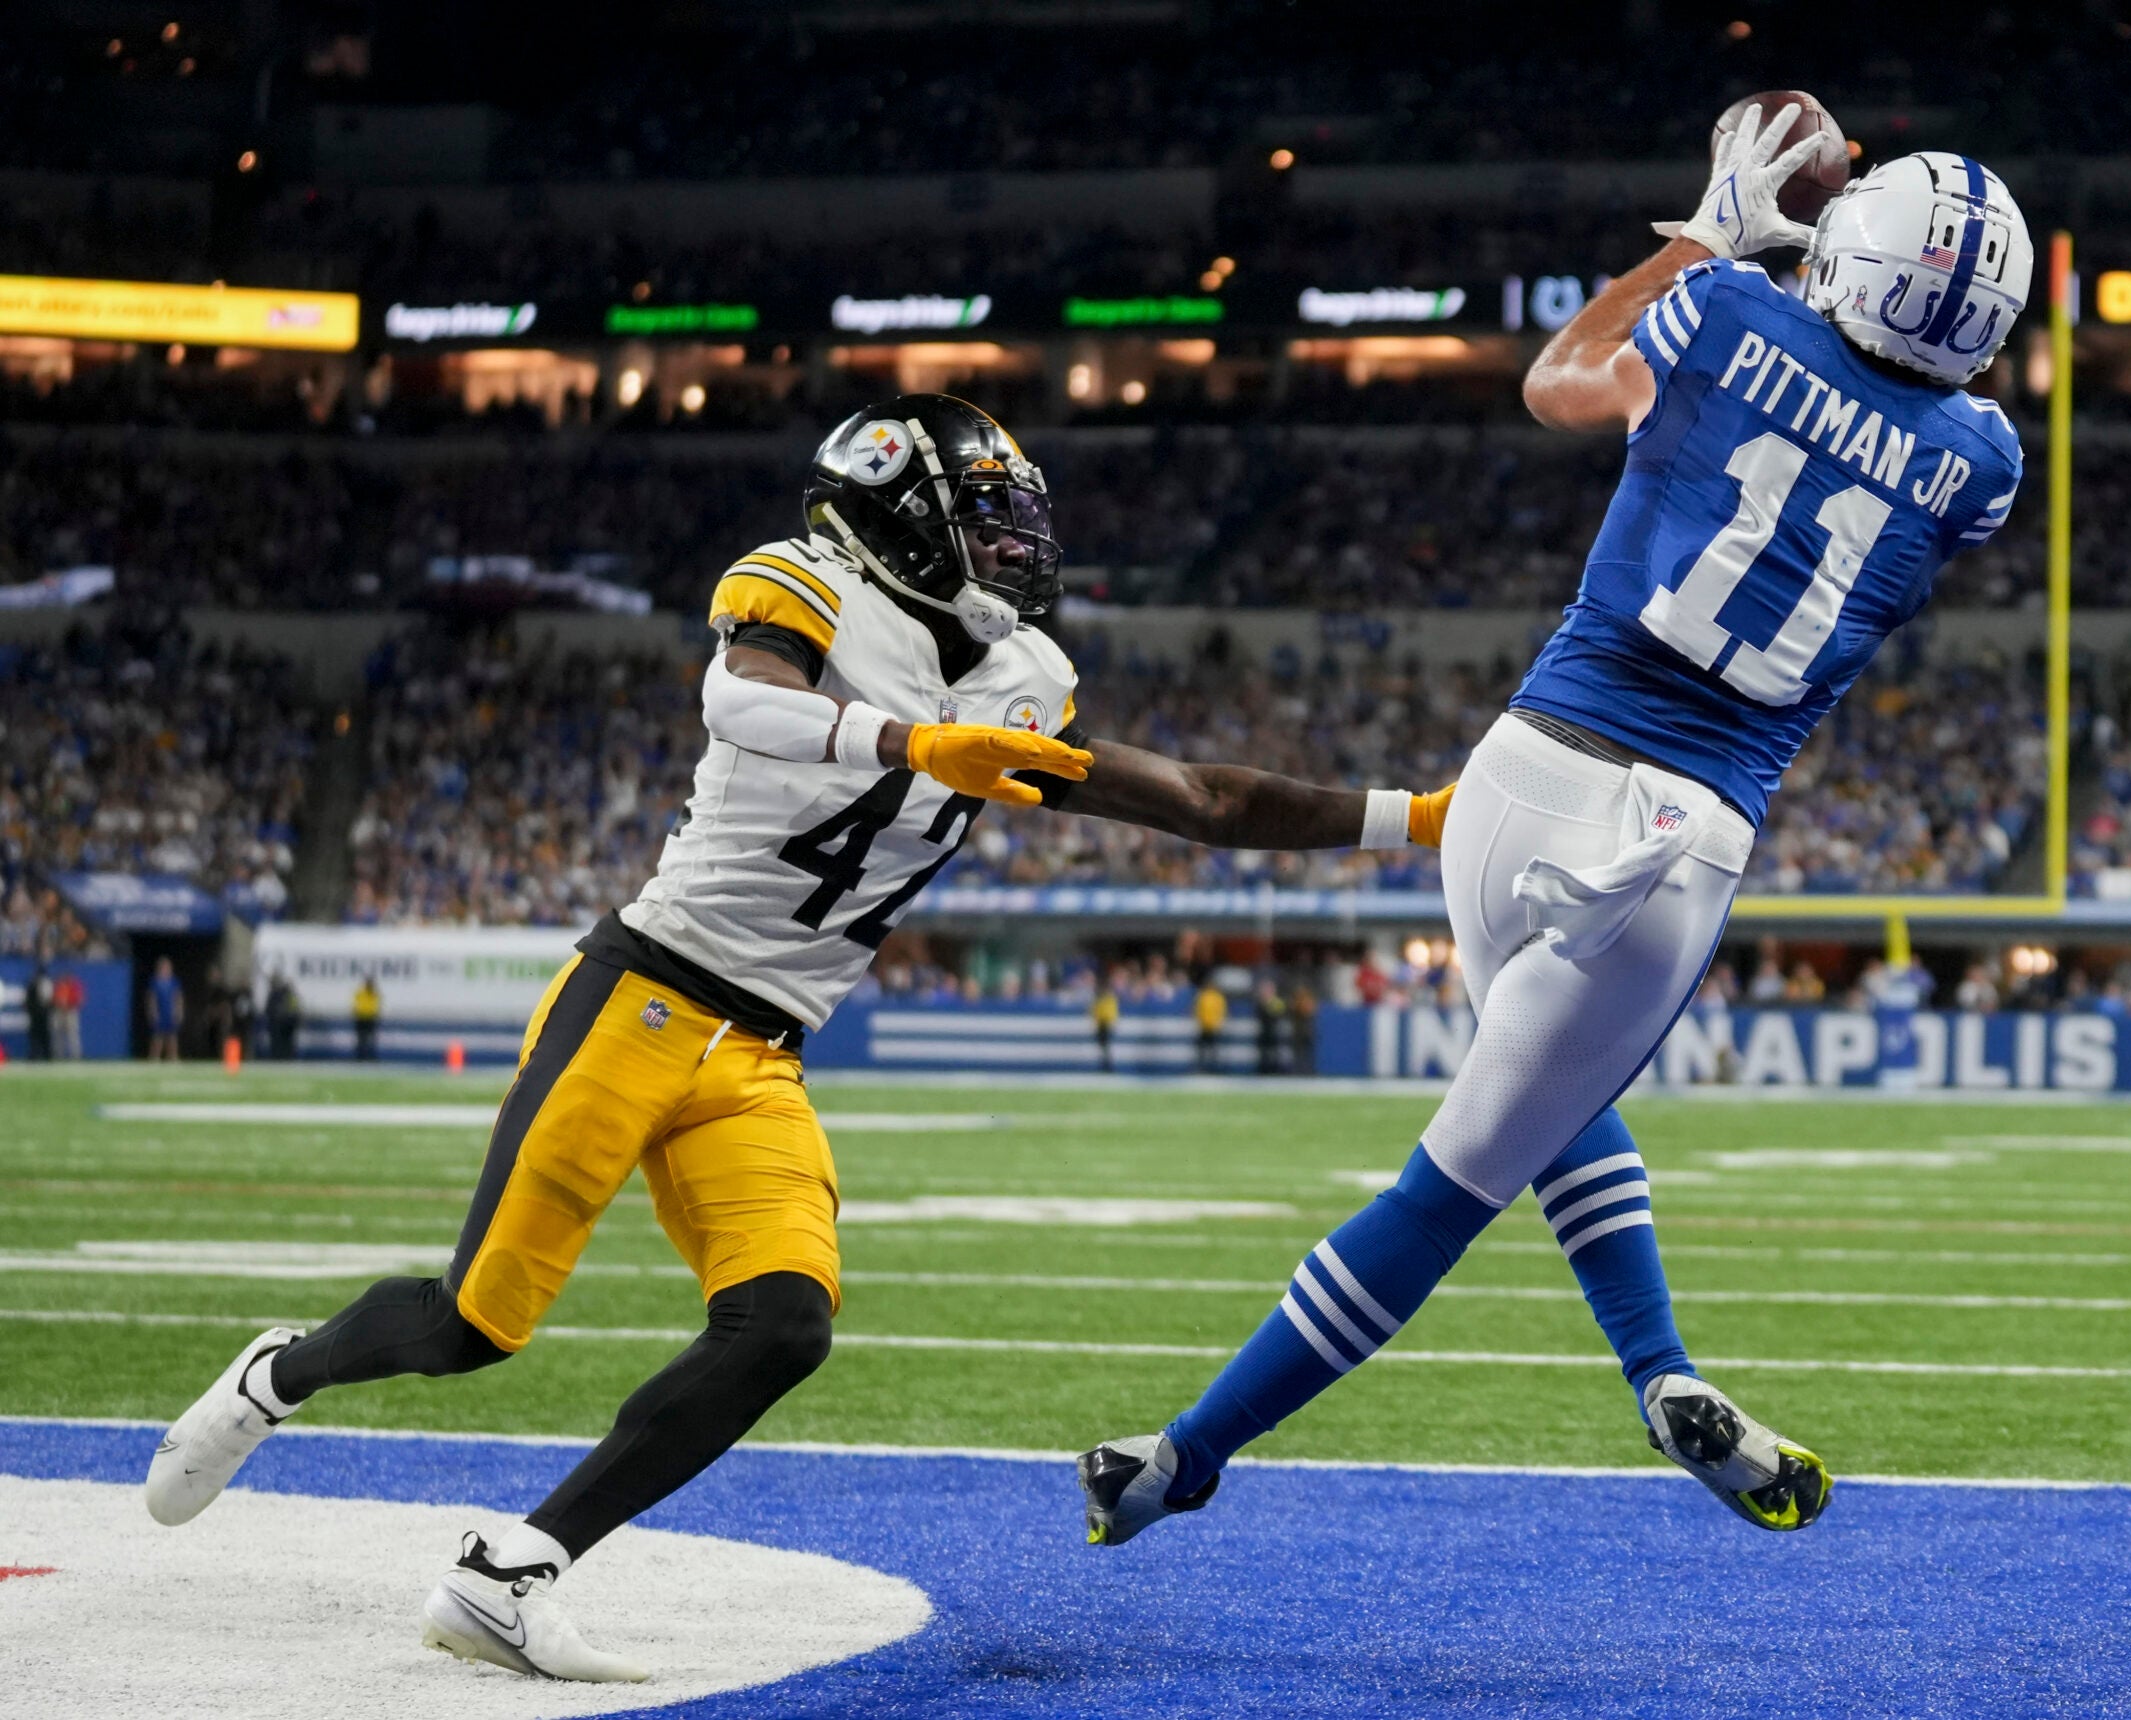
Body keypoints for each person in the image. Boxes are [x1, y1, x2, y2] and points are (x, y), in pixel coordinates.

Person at [147, 394, 1456, 1683]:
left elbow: (1204, 800)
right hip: (643, 994)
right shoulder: (804, 588)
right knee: (474, 1323)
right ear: (903, 516)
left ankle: (514, 1574)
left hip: (762, 1052)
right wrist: (909, 738)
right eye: (987, 515)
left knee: (781, 1327)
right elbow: (743, 705)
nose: (1017, 542)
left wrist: (1424, 816)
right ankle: (284, 1372)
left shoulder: (1024, 678)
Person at [1080, 114, 2029, 1547]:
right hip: (1672, 838)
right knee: (1453, 1180)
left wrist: (1708, 238)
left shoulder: (1719, 309)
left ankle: (1660, 1373)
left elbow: (1560, 384)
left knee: (1544, 1111)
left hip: (1521, 767)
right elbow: (1875, 399)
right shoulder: (1984, 465)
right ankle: (1186, 1454)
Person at [147, 958, 183, 1061]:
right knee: (158, 1037)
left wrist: (179, 1011)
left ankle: (173, 1057)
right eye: (164, 967)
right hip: (160, 1012)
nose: (166, 969)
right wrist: (153, 1011)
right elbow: (151, 998)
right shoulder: (155, 981)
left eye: (168, 967)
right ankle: (154, 1057)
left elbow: (178, 997)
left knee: (172, 1036)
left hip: (170, 1012)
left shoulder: (174, 981)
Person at [264, 971, 302, 1061]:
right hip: (280, 1026)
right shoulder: (277, 995)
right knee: (280, 1047)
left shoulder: (284, 995)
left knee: (284, 1047)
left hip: (285, 1026)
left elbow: (295, 1011)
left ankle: (284, 1059)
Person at [1193, 979, 1228, 1072]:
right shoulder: (1203, 996)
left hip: (1214, 1028)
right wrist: (1199, 1022)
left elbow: (1222, 1011)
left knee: (1214, 1050)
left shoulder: (1218, 997)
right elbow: (1198, 1010)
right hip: (1204, 1027)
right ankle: (1202, 1068)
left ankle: (1214, 1068)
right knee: (1202, 1049)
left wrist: (1219, 1023)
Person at [50, 968, 83, 1061]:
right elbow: (54, 999)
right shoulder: (59, 986)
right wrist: (59, 1004)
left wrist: (69, 1004)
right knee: (58, 1035)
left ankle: (75, 1056)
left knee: (73, 1035)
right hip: (59, 1011)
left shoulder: (74, 986)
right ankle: (58, 1055)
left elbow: (79, 1000)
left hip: (70, 1011)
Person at [351, 974, 381, 1062]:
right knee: (361, 1040)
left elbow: (375, 1006)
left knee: (371, 1040)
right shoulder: (360, 993)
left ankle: (371, 1057)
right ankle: (360, 1057)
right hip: (361, 1018)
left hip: (370, 1019)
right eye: (368, 983)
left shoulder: (374, 994)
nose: (369, 985)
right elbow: (357, 1005)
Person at [25, 963, 51, 1061]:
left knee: (42, 1035)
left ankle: (46, 1054)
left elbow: (47, 1000)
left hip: (41, 1014)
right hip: (36, 1014)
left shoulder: (44, 983)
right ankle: (36, 1054)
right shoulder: (33, 984)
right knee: (36, 1035)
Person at [1091, 980, 1119, 1072]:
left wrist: (1112, 1022)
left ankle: (1108, 1067)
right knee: (1103, 1046)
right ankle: (1105, 1066)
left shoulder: (1109, 999)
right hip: (1102, 1024)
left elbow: (1111, 1013)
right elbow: (1095, 1012)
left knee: (1106, 1046)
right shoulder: (1100, 999)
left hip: (1106, 1024)